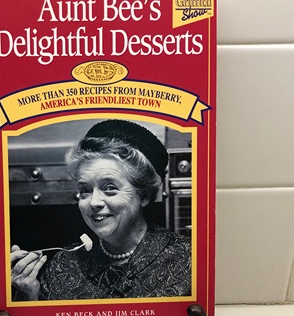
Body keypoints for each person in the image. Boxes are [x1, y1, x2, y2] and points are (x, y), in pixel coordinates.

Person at [10, 119, 191, 300]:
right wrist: (27, 296)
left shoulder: (189, 259)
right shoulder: (62, 265)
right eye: (85, 190)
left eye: (110, 188)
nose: (93, 202)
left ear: (144, 195)